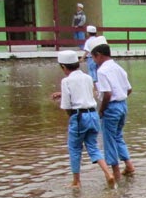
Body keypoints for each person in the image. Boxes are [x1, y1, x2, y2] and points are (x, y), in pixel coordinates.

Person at [49, 50, 115, 188]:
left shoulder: (66, 81)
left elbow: (67, 105)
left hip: (79, 117)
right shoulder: (87, 77)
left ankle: (76, 181)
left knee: (74, 148)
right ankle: (108, 174)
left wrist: (72, 117)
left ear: (63, 67)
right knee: (93, 147)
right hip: (93, 115)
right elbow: (86, 94)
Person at [90, 43, 136, 181]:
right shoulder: (118, 68)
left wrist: (102, 110)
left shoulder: (102, 71)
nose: (94, 61)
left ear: (99, 55)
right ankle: (129, 166)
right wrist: (121, 99)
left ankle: (115, 174)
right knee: (118, 136)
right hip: (122, 105)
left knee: (109, 140)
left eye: (94, 58)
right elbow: (129, 89)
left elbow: (107, 94)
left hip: (112, 107)